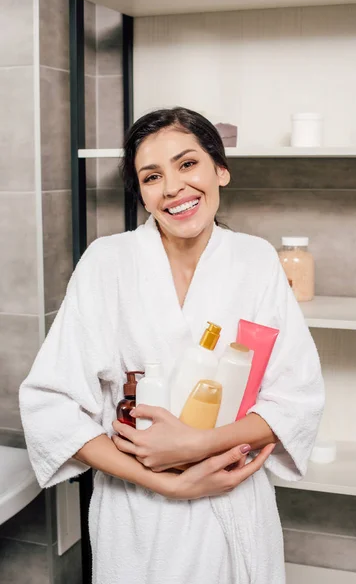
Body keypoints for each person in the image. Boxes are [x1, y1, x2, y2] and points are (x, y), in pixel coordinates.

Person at [20, 107, 324, 584]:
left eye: (187, 164)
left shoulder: (255, 260)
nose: (173, 188)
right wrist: (166, 482)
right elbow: (50, 407)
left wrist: (198, 443)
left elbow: (295, 400)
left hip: (233, 501)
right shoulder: (108, 262)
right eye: (152, 176)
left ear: (220, 169)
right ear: (141, 192)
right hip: (137, 513)